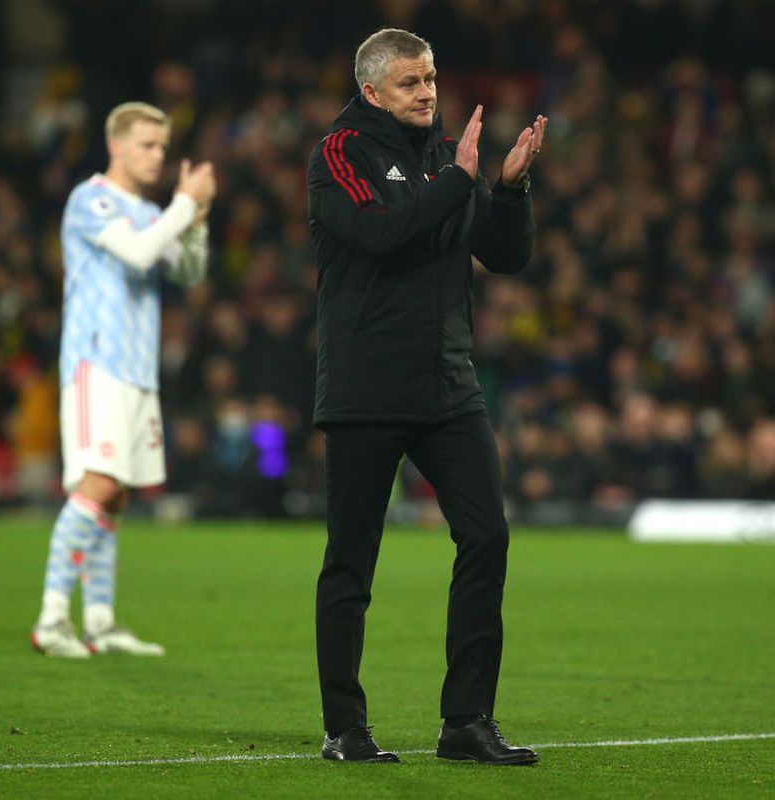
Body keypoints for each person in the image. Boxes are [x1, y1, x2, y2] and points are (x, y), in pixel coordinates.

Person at [307, 28, 545, 765]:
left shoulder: (446, 157)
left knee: (487, 536)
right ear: (373, 91)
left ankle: (465, 721)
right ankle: (345, 728)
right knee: (353, 560)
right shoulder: (340, 154)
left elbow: (503, 257)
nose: (429, 93)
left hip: (448, 385)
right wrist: (457, 180)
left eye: (432, 79)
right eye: (411, 83)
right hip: (366, 389)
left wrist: (506, 190)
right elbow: (380, 234)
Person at [30, 102, 216, 658]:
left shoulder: (150, 211)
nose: (157, 155)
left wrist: (197, 217)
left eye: (163, 147)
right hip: (97, 364)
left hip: (137, 372)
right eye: (146, 145)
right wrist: (185, 203)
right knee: (99, 485)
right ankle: (52, 618)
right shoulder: (93, 199)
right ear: (116, 146)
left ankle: (102, 622)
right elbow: (138, 254)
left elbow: (189, 270)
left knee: (116, 498)